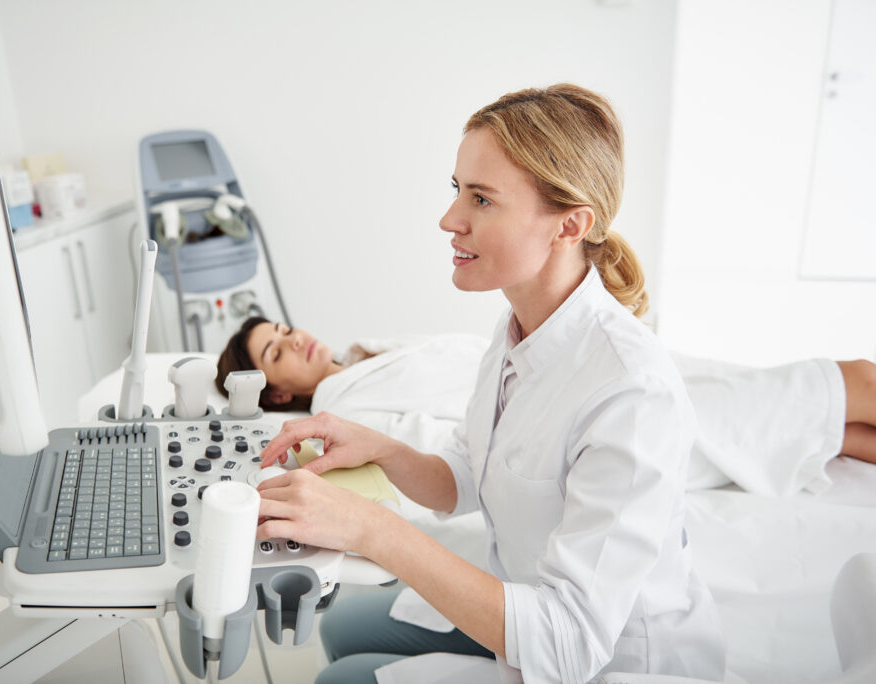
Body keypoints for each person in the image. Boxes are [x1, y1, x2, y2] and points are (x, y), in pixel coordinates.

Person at [251, 85, 727, 683]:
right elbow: (469, 477)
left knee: (338, 678)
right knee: (341, 629)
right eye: (457, 190)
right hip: (528, 600)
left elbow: (572, 643)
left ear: (569, 226)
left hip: (603, 659)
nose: (450, 220)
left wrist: (373, 528)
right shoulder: (515, 332)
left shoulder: (631, 394)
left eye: (481, 199)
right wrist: (383, 449)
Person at [217, 316, 876, 496]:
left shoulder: (364, 355)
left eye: (281, 329)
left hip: (580, 373)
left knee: (832, 429)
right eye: (277, 353)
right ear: (278, 394)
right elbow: (430, 433)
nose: (293, 338)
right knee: (849, 383)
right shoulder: (342, 397)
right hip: (579, 410)